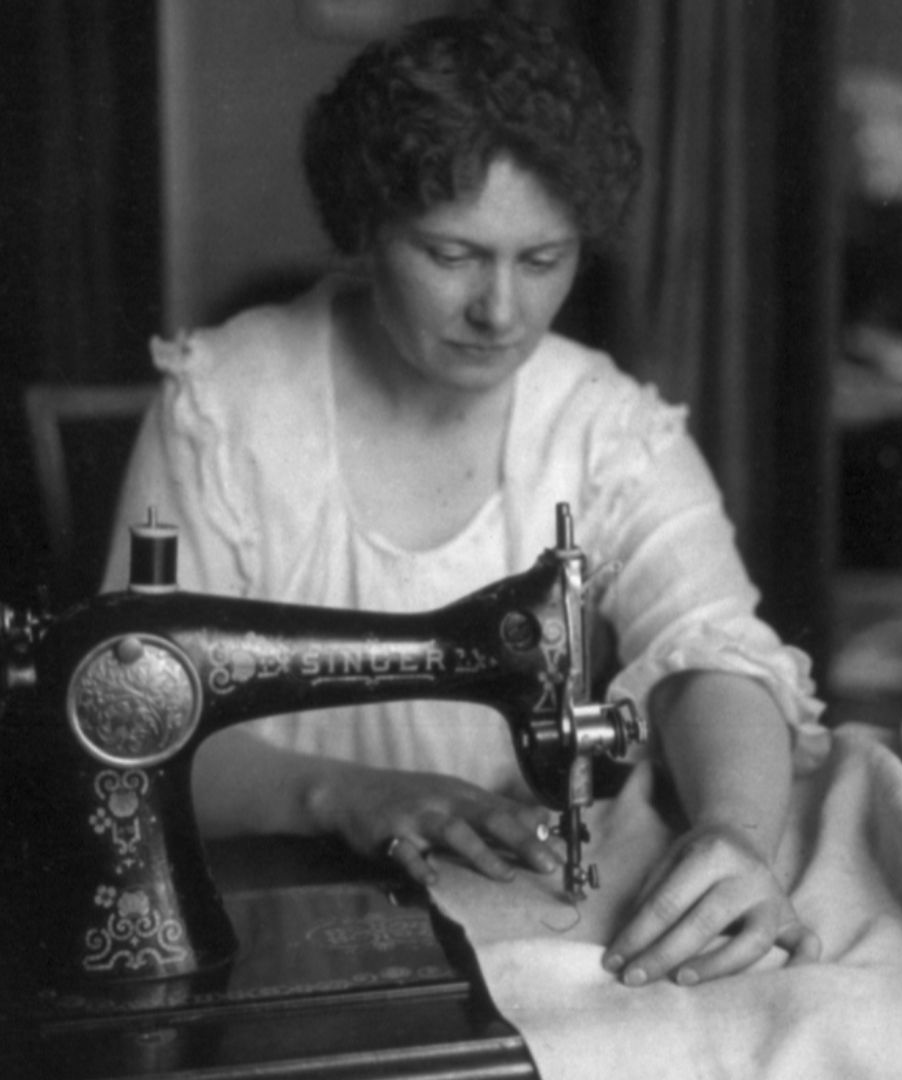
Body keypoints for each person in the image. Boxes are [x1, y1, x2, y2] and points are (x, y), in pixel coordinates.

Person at [104, 11, 829, 990]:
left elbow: (714, 650)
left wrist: (737, 835)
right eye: (453, 256)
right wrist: (345, 794)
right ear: (364, 228)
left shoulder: (601, 424)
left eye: (543, 260)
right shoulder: (224, 408)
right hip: (258, 909)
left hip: (498, 900)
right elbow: (143, 718)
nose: (503, 312)